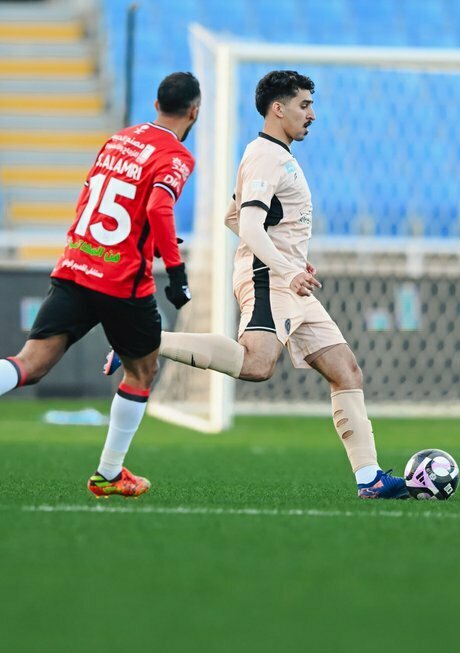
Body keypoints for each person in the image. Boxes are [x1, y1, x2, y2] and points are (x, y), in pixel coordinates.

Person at [105, 70, 407, 500]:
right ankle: (144, 341)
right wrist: (286, 268)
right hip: (270, 279)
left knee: (346, 370)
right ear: (278, 109)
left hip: (288, 279)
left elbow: (233, 216)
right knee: (256, 364)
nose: (312, 114)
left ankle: (370, 478)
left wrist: (290, 257)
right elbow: (248, 225)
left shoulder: (272, 155)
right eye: (304, 105)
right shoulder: (266, 157)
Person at [0, 71, 200, 498]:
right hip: (122, 279)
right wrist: (176, 272)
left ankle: (110, 473)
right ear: (194, 112)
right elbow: (159, 207)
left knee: (30, 363)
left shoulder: (118, 139)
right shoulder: (177, 155)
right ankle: (108, 473)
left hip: (78, 263)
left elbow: (91, 195)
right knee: (142, 370)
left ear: (156, 104)